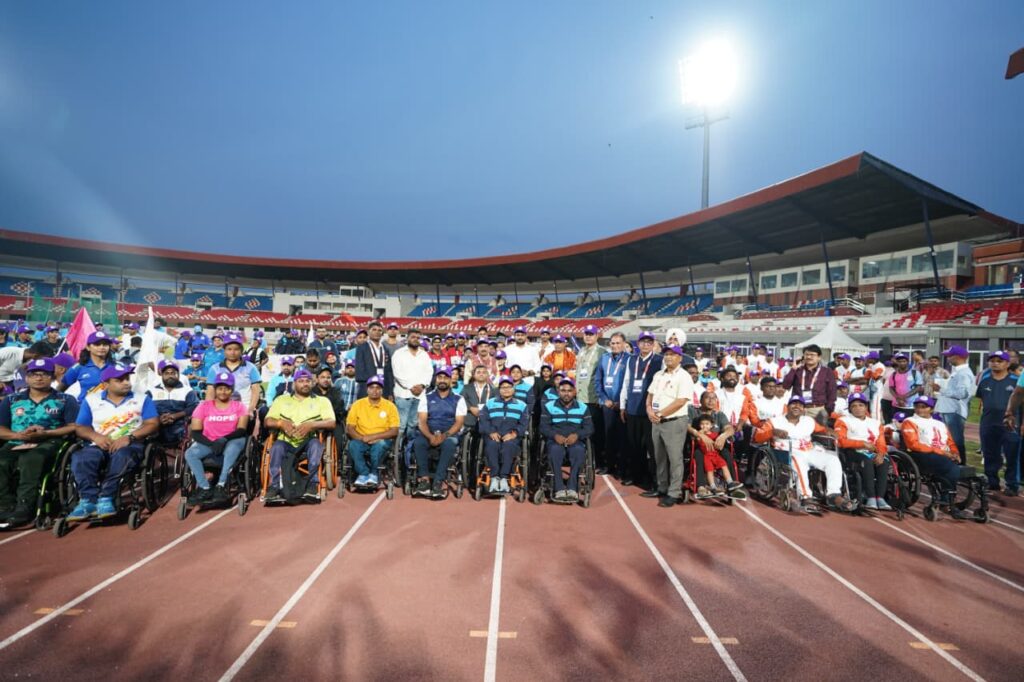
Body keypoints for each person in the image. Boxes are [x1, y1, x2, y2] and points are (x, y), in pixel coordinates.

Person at [67, 364, 160, 520]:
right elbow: (81, 427)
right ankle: (87, 500)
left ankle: (106, 497)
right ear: (106, 384)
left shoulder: (142, 399)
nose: (126, 382)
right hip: (99, 443)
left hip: (131, 444)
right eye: (119, 380)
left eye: (127, 378)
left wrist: (130, 437)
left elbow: (153, 423)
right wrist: (96, 437)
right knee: (82, 458)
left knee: (122, 456)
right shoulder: (91, 400)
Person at [0, 358, 79, 527]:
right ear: (27, 377)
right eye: (34, 374)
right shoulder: (11, 400)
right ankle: (5, 506)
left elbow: (73, 427)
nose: (39, 378)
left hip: (50, 441)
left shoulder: (65, 399)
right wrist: (19, 435)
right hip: (17, 440)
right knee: (2, 461)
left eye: (44, 374)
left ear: (52, 377)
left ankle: (25, 506)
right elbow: (1, 429)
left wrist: (46, 433)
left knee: (31, 460)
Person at [753, 395, 854, 512]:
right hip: (787, 453)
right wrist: (772, 432)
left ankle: (833, 494)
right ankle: (805, 496)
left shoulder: (808, 421)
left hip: (809, 451)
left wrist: (829, 431)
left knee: (832, 459)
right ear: (788, 406)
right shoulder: (775, 421)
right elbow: (758, 437)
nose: (797, 407)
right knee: (797, 461)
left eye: (800, 405)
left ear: (803, 409)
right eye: (793, 404)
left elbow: (821, 429)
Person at [263, 368, 336, 504]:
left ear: (313, 383)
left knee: (315, 445)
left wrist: (312, 425)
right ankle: (274, 486)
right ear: (294, 383)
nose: (305, 384)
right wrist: (280, 423)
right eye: (301, 381)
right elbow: (267, 421)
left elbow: (331, 422)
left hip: (309, 440)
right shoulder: (281, 400)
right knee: (276, 447)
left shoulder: (322, 401)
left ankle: (312, 484)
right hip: (286, 441)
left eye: (308, 381)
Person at [183, 371, 249, 507]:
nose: (223, 391)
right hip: (209, 441)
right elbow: (195, 432)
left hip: (232, 439)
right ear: (215, 389)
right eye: (220, 388)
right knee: (190, 453)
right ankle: (204, 487)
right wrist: (211, 444)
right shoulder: (203, 407)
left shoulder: (240, 407)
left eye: (227, 388)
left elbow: (242, 429)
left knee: (231, 449)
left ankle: (221, 484)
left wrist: (224, 439)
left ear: (231, 390)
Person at [645, 345, 695, 507]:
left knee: (674, 458)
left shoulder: (684, 376)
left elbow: (681, 401)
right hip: (656, 421)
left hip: (673, 422)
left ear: (680, 358)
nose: (668, 357)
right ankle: (662, 487)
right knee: (659, 456)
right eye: (666, 354)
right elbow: (650, 395)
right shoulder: (658, 374)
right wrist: (649, 410)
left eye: (673, 355)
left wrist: (659, 414)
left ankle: (674, 492)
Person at [901, 395, 965, 518]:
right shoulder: (909, 421)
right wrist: (942, 453)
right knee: (950, 467)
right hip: (920, 455)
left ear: (931, 409)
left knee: (953, 466)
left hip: (941, 455)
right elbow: (913, 444)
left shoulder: (940, 424)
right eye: (917, 407)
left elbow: (950, 441)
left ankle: (947, 499)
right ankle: (947, 501)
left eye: (924, 407)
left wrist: (955, 453)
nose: (920, 410)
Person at [411, 367, 467, 498]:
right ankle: (423, 480)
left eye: (445, 377)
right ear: (436, 379)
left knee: (449, 444)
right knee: (419, 442)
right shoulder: (426, 398)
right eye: (439, 377)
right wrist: (430, 436)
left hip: (449, 433)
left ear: (450, 379)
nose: (442, 380)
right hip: (429, 432)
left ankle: (438, 481)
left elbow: (458, 422)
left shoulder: (459, 399)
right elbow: (422, 421)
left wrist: (444, 435)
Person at [620, 331, 662, 490]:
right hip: (632, 408)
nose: (646, 344)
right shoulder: (631, 360)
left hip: (649, 411)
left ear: (653, 344)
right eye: (643, 342)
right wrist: (623, 406)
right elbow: (626, 383)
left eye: (649, 342)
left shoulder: (659, 360)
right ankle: (635, 475)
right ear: (638, 344)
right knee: (634, 445)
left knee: (651, 448)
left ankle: (652, 479)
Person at [835, 392, 892, 510]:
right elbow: (841, 441)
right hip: (852, 451)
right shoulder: (843, 420)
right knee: (866, 460)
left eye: (861, 405)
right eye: (854, 406)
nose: (858, 408)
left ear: (866, 407)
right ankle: (871, 497)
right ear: (850, 408)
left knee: (885, 461)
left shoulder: (875, 423)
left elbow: (881, 442)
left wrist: (881, 453)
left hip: (872, 451)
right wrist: (862, 444)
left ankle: (880, 498)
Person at [539, 377, 593, 501]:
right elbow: (543, 427)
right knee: (554, 451)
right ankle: (559, 488)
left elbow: (589, 428)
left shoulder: (583, 407)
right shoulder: (549, 406)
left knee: (579, 451)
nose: (566, 393)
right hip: (555, 440)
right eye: (563, 390)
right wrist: (554, 436)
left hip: (575, 441)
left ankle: (572, 488)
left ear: (574, 392)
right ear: (558, 392)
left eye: (569, 390)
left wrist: (577, 435)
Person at [975, 351, 1019, 495]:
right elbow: (981, 399)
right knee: (990, 454)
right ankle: (992, 482)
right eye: (992, 360)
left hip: (1010, 424)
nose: (995, 363)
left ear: (1007, 364)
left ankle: (1012, 485)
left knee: (1011, 455)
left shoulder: (1016, 380)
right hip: (988, 423)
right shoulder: (985, 380)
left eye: (999, 361)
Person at [345, 375, 399, 489]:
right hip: (361, 438)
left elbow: (394, 431)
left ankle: (374, 474)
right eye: (372, 387)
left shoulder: (390, 406)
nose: (375, 391)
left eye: (378, 388)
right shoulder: (357, 405)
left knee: (379, 446)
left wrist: (374, 437)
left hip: (382, 439)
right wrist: (362, 438)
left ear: (382, 390)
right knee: (353, 445)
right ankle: (363, 474)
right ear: (367, 389)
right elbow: (350, 428)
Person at [687, 391, 744, 499]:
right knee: (698, 455)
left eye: (714, 398)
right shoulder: (693, 411)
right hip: (699, 446)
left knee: (727, 453)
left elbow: (729, 429)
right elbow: (687, 426)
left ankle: (732, 485)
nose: (711, 400)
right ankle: (701, 486)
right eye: (707, 398)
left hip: (716, 447)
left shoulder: (719, 414)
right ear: (700, 400)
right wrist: (700, 434)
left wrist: (723, 436)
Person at [478, 375, 530, 495]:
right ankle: (495, 477)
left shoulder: (522, 405)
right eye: (503, 387)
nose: (506, 389)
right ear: (499, 389)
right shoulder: (490, 403)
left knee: (508, 446)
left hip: (511, 436)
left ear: (513, 389)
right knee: (492, 445)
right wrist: (491, 431)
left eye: (509, 387)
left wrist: (514, 433)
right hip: (493, 435)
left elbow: (524, 424)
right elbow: (483, 420)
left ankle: (504, 477)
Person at [594, 332, 629, 479]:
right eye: (612, 343)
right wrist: (604, 399)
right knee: (608, 436)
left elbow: (630, 383)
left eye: (618, 343)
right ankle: (608, 466)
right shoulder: (604, 358)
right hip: (607, 404)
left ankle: (621, 469)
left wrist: (621, 403)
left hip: (622, 406)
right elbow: (598, 381)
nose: (615, 346)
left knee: (622, 438)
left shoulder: (629, 359)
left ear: (624, 344)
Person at [205, 332, 262, 418]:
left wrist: (250, 409)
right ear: (224, 350)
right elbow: (210, 392)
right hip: (221, 411)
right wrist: (209, 411)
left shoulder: (251, 367)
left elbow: (255, 390)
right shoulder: (215, 369)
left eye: (236, 349)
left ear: (241, 350)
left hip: (244, 410)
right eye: (229, 349)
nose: (232, 352)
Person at [391, 328, 434, 439]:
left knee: (413, 425)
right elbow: (397, 373)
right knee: (401, 425)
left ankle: (408, 451)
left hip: (419, 395)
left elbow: (429, 372)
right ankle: (397, 450)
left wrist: (422, 386)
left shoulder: (424, 355)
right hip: (403, 394)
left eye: (418, 338)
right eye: (413, 337)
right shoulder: (399, 353)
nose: (415, 340)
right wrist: (411, 387)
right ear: (407, 338)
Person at [933, 345, 974, 465]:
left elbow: (962, 393)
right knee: (950, 439)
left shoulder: (963, 373)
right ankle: (955, 463)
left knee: (956, 440)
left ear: (957, 357)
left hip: (955, 411)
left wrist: (942, 390)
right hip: (950, 409)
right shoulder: (958, 371)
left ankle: (961, 465)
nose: (948, 359)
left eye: (949, 356)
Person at [575, 324, 607, 472]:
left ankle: (600, 462)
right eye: (586, 333)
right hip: (580, 398)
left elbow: (603, 376)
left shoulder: (602, 352)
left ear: (597, 335)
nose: (588, 336)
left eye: (591, 334)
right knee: (583, 431)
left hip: (593, 398)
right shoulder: (581, 351)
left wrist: (601, 397)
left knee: (596, 433)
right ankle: (585, 460)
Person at [148, 360, 199, 446]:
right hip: (157, 425)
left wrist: (174, 416)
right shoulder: (152, 391)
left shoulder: (187, 390)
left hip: (180, 426)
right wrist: (158, 419)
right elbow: (146, 409)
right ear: (162, 375)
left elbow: (194, 407)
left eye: (173, 373)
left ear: (178, 375)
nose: (170, 376)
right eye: (167, 373)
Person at [781, 344, 837, 422]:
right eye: (806, 354)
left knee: (817, 433)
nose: (809, 357)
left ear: (819, 357)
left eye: (812, 355)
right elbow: (785, 385)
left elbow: (832, 393)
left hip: (817, 410)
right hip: (798, 409)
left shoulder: (827, 372)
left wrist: (827, 411)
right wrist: (793, 368)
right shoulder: (797, 370)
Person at [692, 414, 740, 496]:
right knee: (709, 471)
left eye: (707, 424)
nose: (704, 426)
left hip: (715, 455)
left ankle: (730, 482)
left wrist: (723, 437)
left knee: (724, 465)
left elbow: (724, 436)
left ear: (711, 426)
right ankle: (712, 487)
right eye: (702, 424)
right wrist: (702, 433)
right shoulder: (700, 435)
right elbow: (698, 436)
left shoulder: (715, 434)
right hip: (706, 456)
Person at [354, 321, 393, 399]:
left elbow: (389, 372)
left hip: (383, 389)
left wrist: (390, 392)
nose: (377, 332)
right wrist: (375, 379)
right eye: (374, 330)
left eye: (379, 330)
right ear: (368, 332)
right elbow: (359, 372)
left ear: (382, 333)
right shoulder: (362, 348)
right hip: (367, 388)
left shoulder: (385, 349)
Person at [886, 352, 923, 422]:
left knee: (910, 424)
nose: (902, 363)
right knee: (896, 425)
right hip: (896, 405)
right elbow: (891, 388)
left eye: (904, 361)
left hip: (911, 405)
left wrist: (904, 397)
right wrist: (897, 398)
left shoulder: (915, 373)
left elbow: (918, 387)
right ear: (897, 362)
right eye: (899, 361)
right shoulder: (893, 374)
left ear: (908, 362)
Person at [462, 364, 494, 434]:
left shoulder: (494, 389)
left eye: (484, 372)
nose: (481, 374)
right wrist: (470, 408)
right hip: (470, 420)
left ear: (488, 375)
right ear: (474, 375)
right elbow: (461, 400)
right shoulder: (466, 388)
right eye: (478, 372)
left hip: (488, 421)